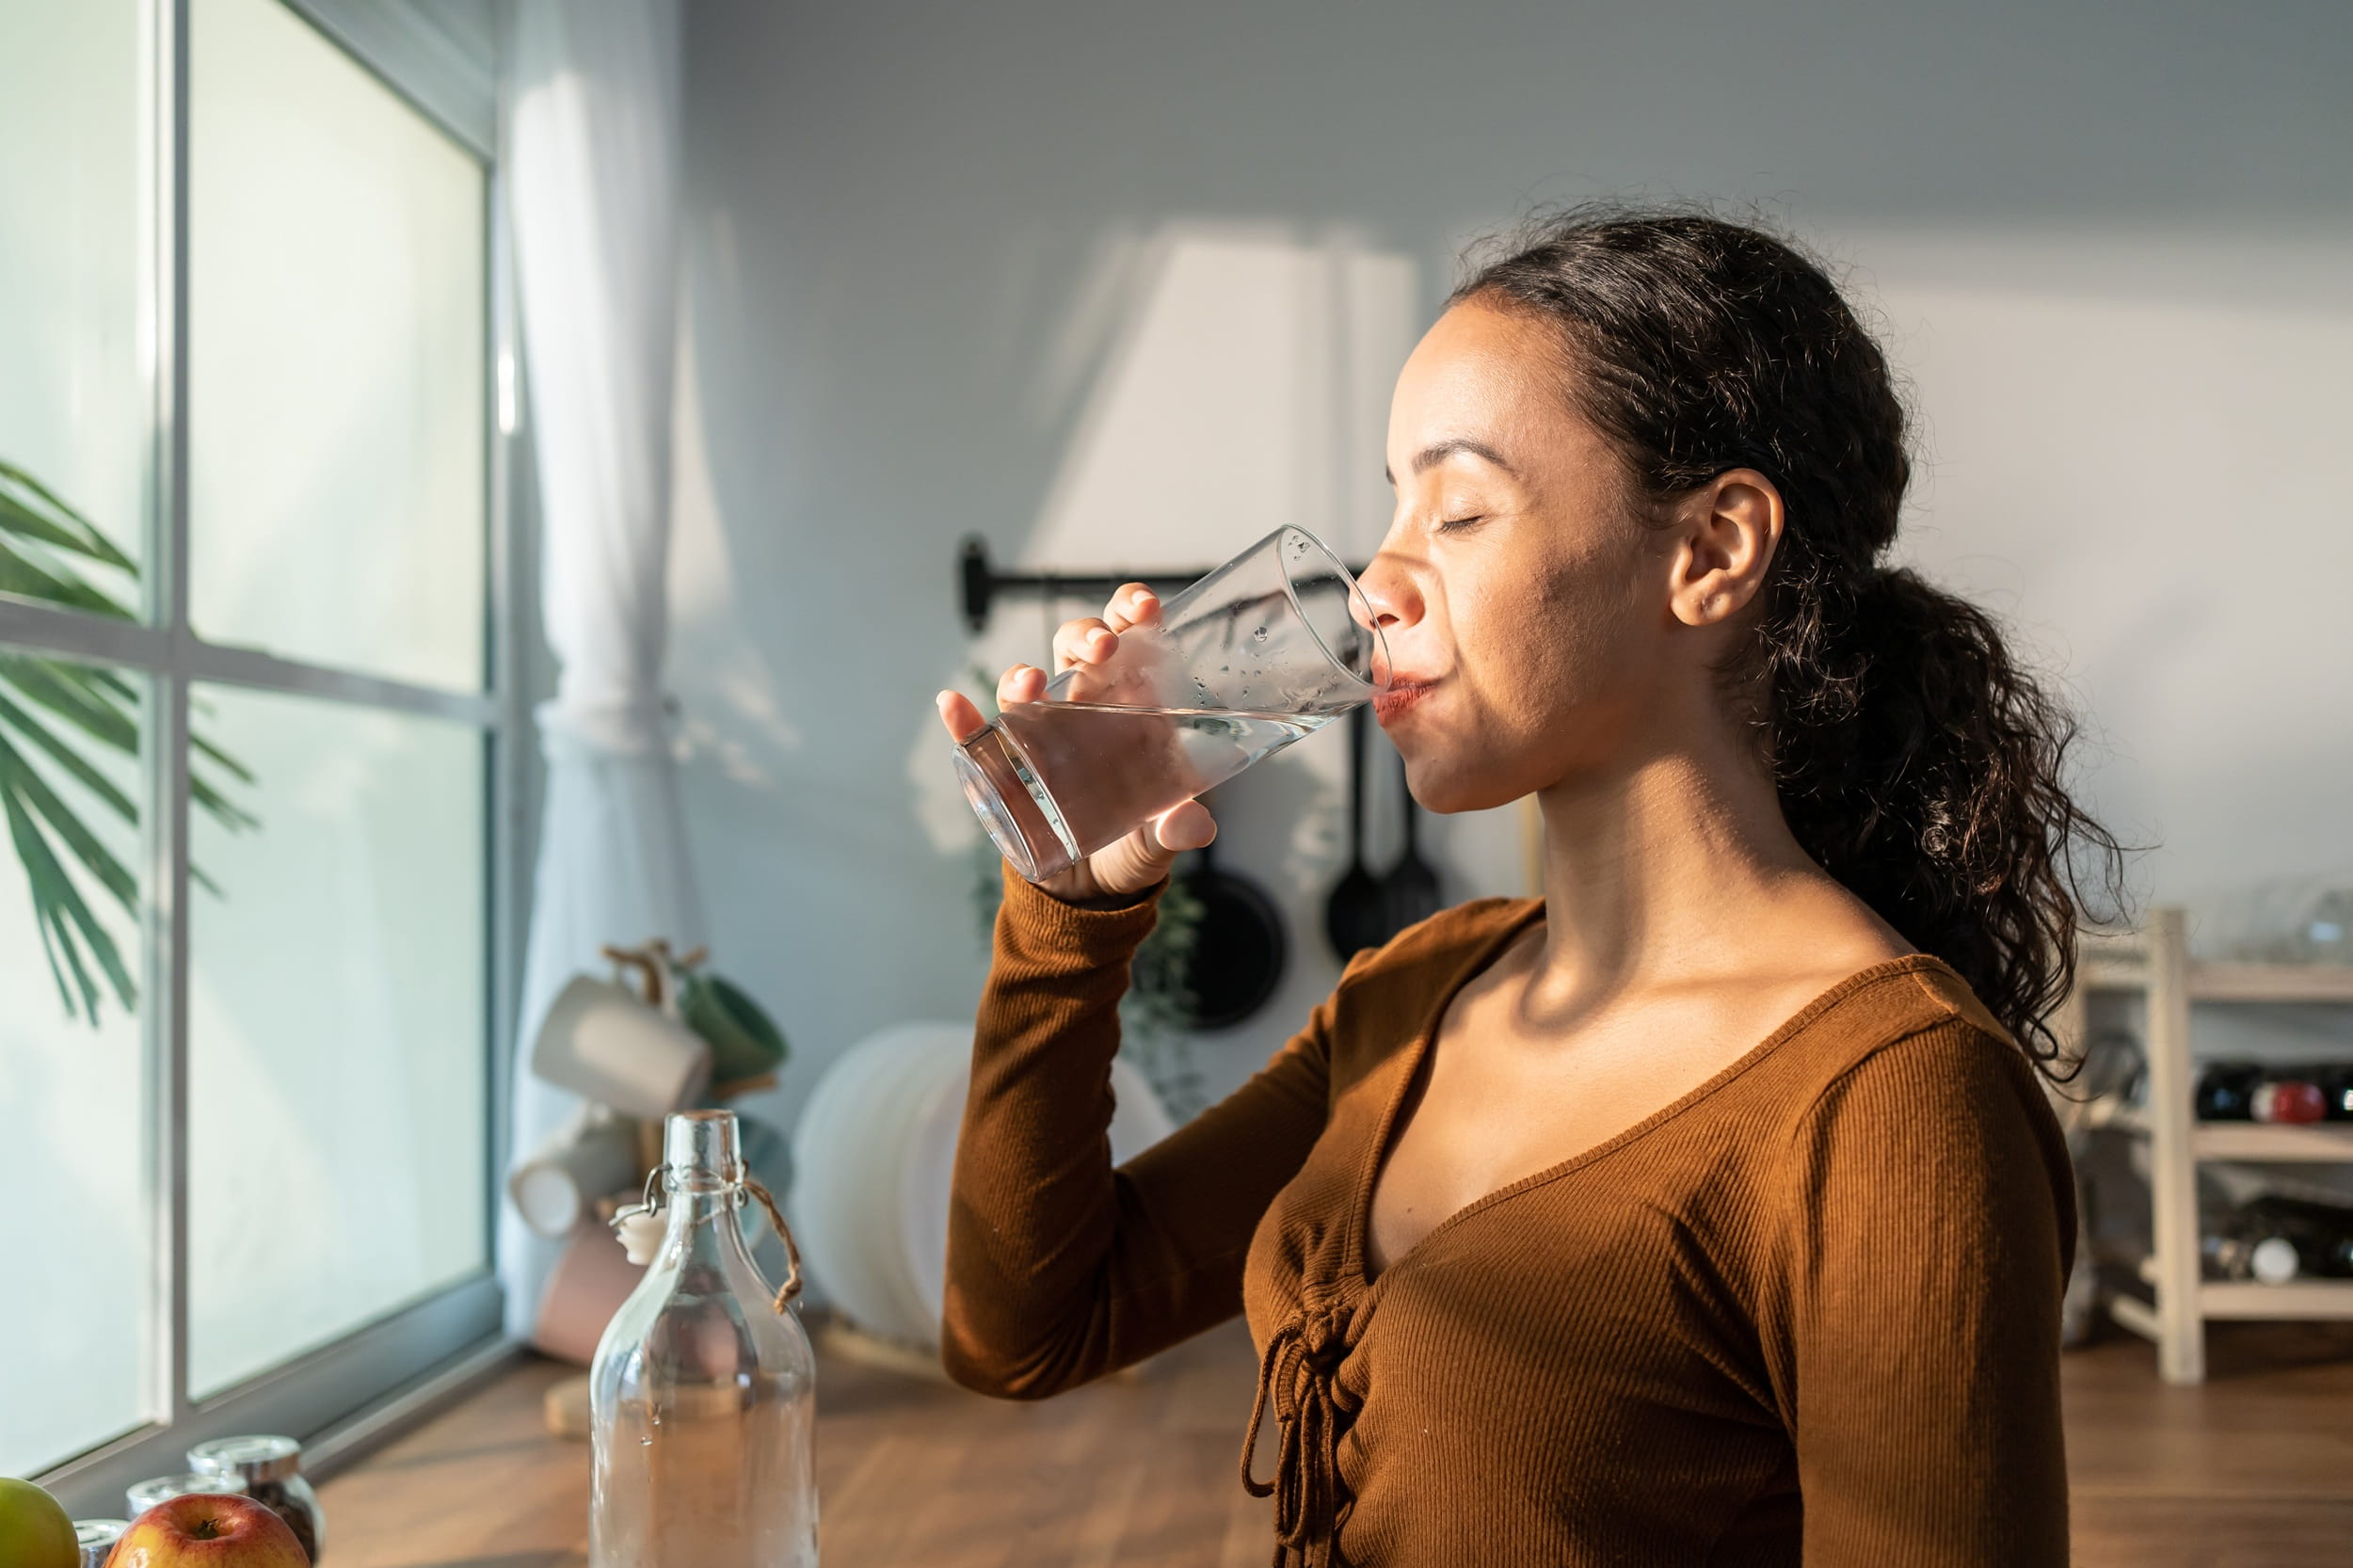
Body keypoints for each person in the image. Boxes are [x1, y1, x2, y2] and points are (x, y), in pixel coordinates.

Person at [930, 204, 2124, 1568]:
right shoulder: (1418, 995)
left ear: (1713, 550)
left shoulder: (1890, 1100)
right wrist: (1070, 909)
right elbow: (1020, 1326)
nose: (1377, 579)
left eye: (1458, 508)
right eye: (1389, 503)